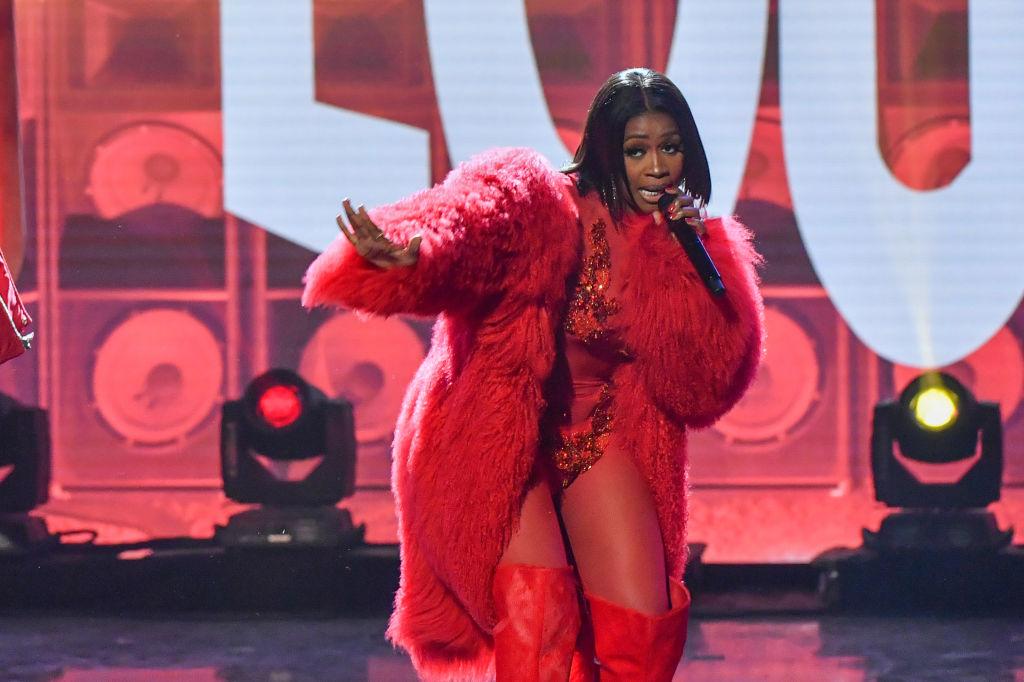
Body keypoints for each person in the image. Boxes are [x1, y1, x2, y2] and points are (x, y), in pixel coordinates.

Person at [302, 68, 764, 681]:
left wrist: (692, 261)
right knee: (539, 623)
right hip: (495, 435)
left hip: (599, 434)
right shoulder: (539, 199)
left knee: (641, 636)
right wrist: (415, 248)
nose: (658, 167)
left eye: (670, 147)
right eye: (637, 149)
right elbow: (467, 222)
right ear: (606, 149)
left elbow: (703, 386)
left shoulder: (682, 240)